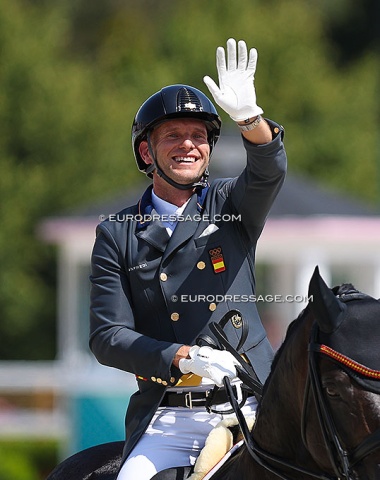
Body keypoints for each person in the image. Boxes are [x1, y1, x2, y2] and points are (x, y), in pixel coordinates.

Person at [89, 38, 287, 479]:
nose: (188, 145)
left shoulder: (229, 205)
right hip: (170, 418)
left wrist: (249, 119)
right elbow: (107, 336)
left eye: (198, 136)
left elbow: (269, 171)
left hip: (251, 403)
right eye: (173, 136)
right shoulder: (116, 233)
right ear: (147, 152)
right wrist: (179, 356)